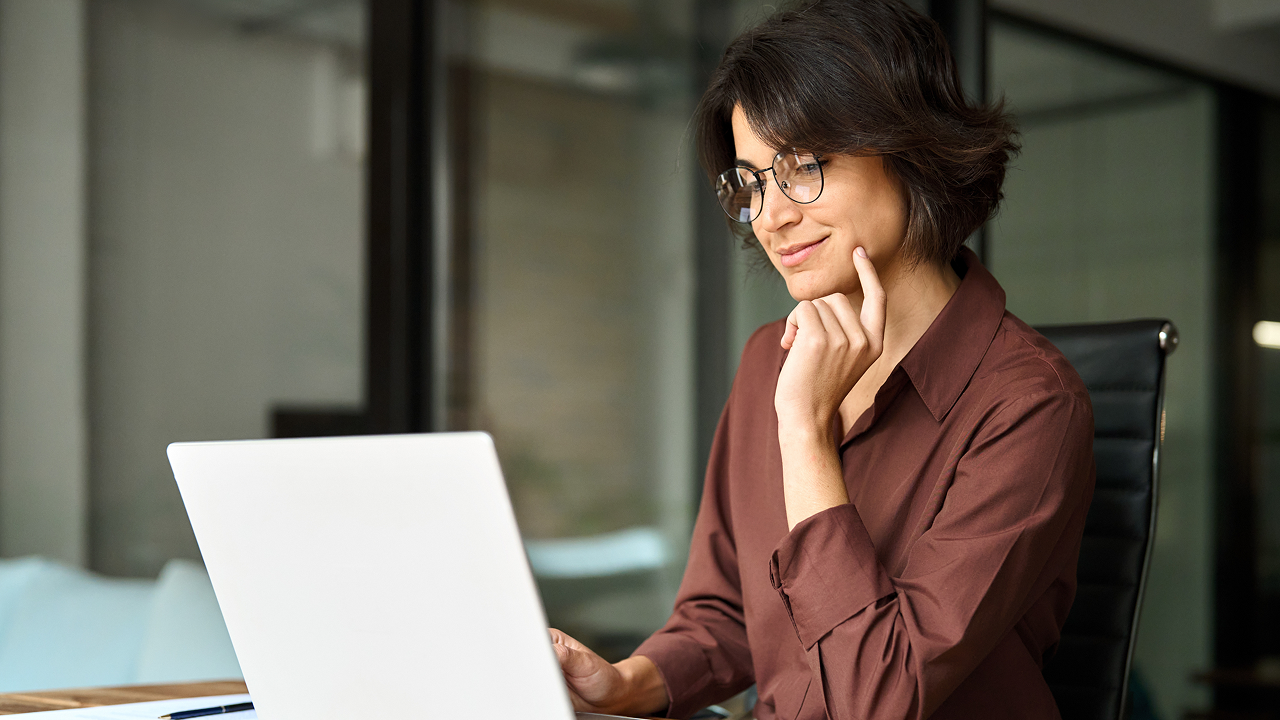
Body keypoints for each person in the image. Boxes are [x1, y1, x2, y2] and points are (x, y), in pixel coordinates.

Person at [550, 1, 1095, 718]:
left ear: (910, 151)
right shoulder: (765, 363)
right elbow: (727, 613)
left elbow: (877, 698)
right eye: (753, 182)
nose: (772, 215)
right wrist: (629, 683)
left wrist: (806, 438)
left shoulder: (1029, 404)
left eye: (804, 166)